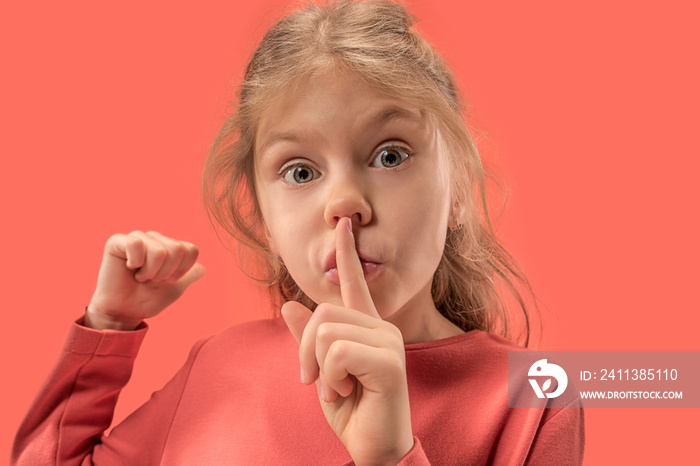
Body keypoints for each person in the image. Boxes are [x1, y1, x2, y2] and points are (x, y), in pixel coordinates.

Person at [12, 1, 584, 464]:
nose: (345, 205)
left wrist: (391, 457)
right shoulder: (219, 364)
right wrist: (107, 331)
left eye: (390, 155)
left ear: (459, 187)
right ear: (263, 214)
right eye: (301, 172)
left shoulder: (536, 398)